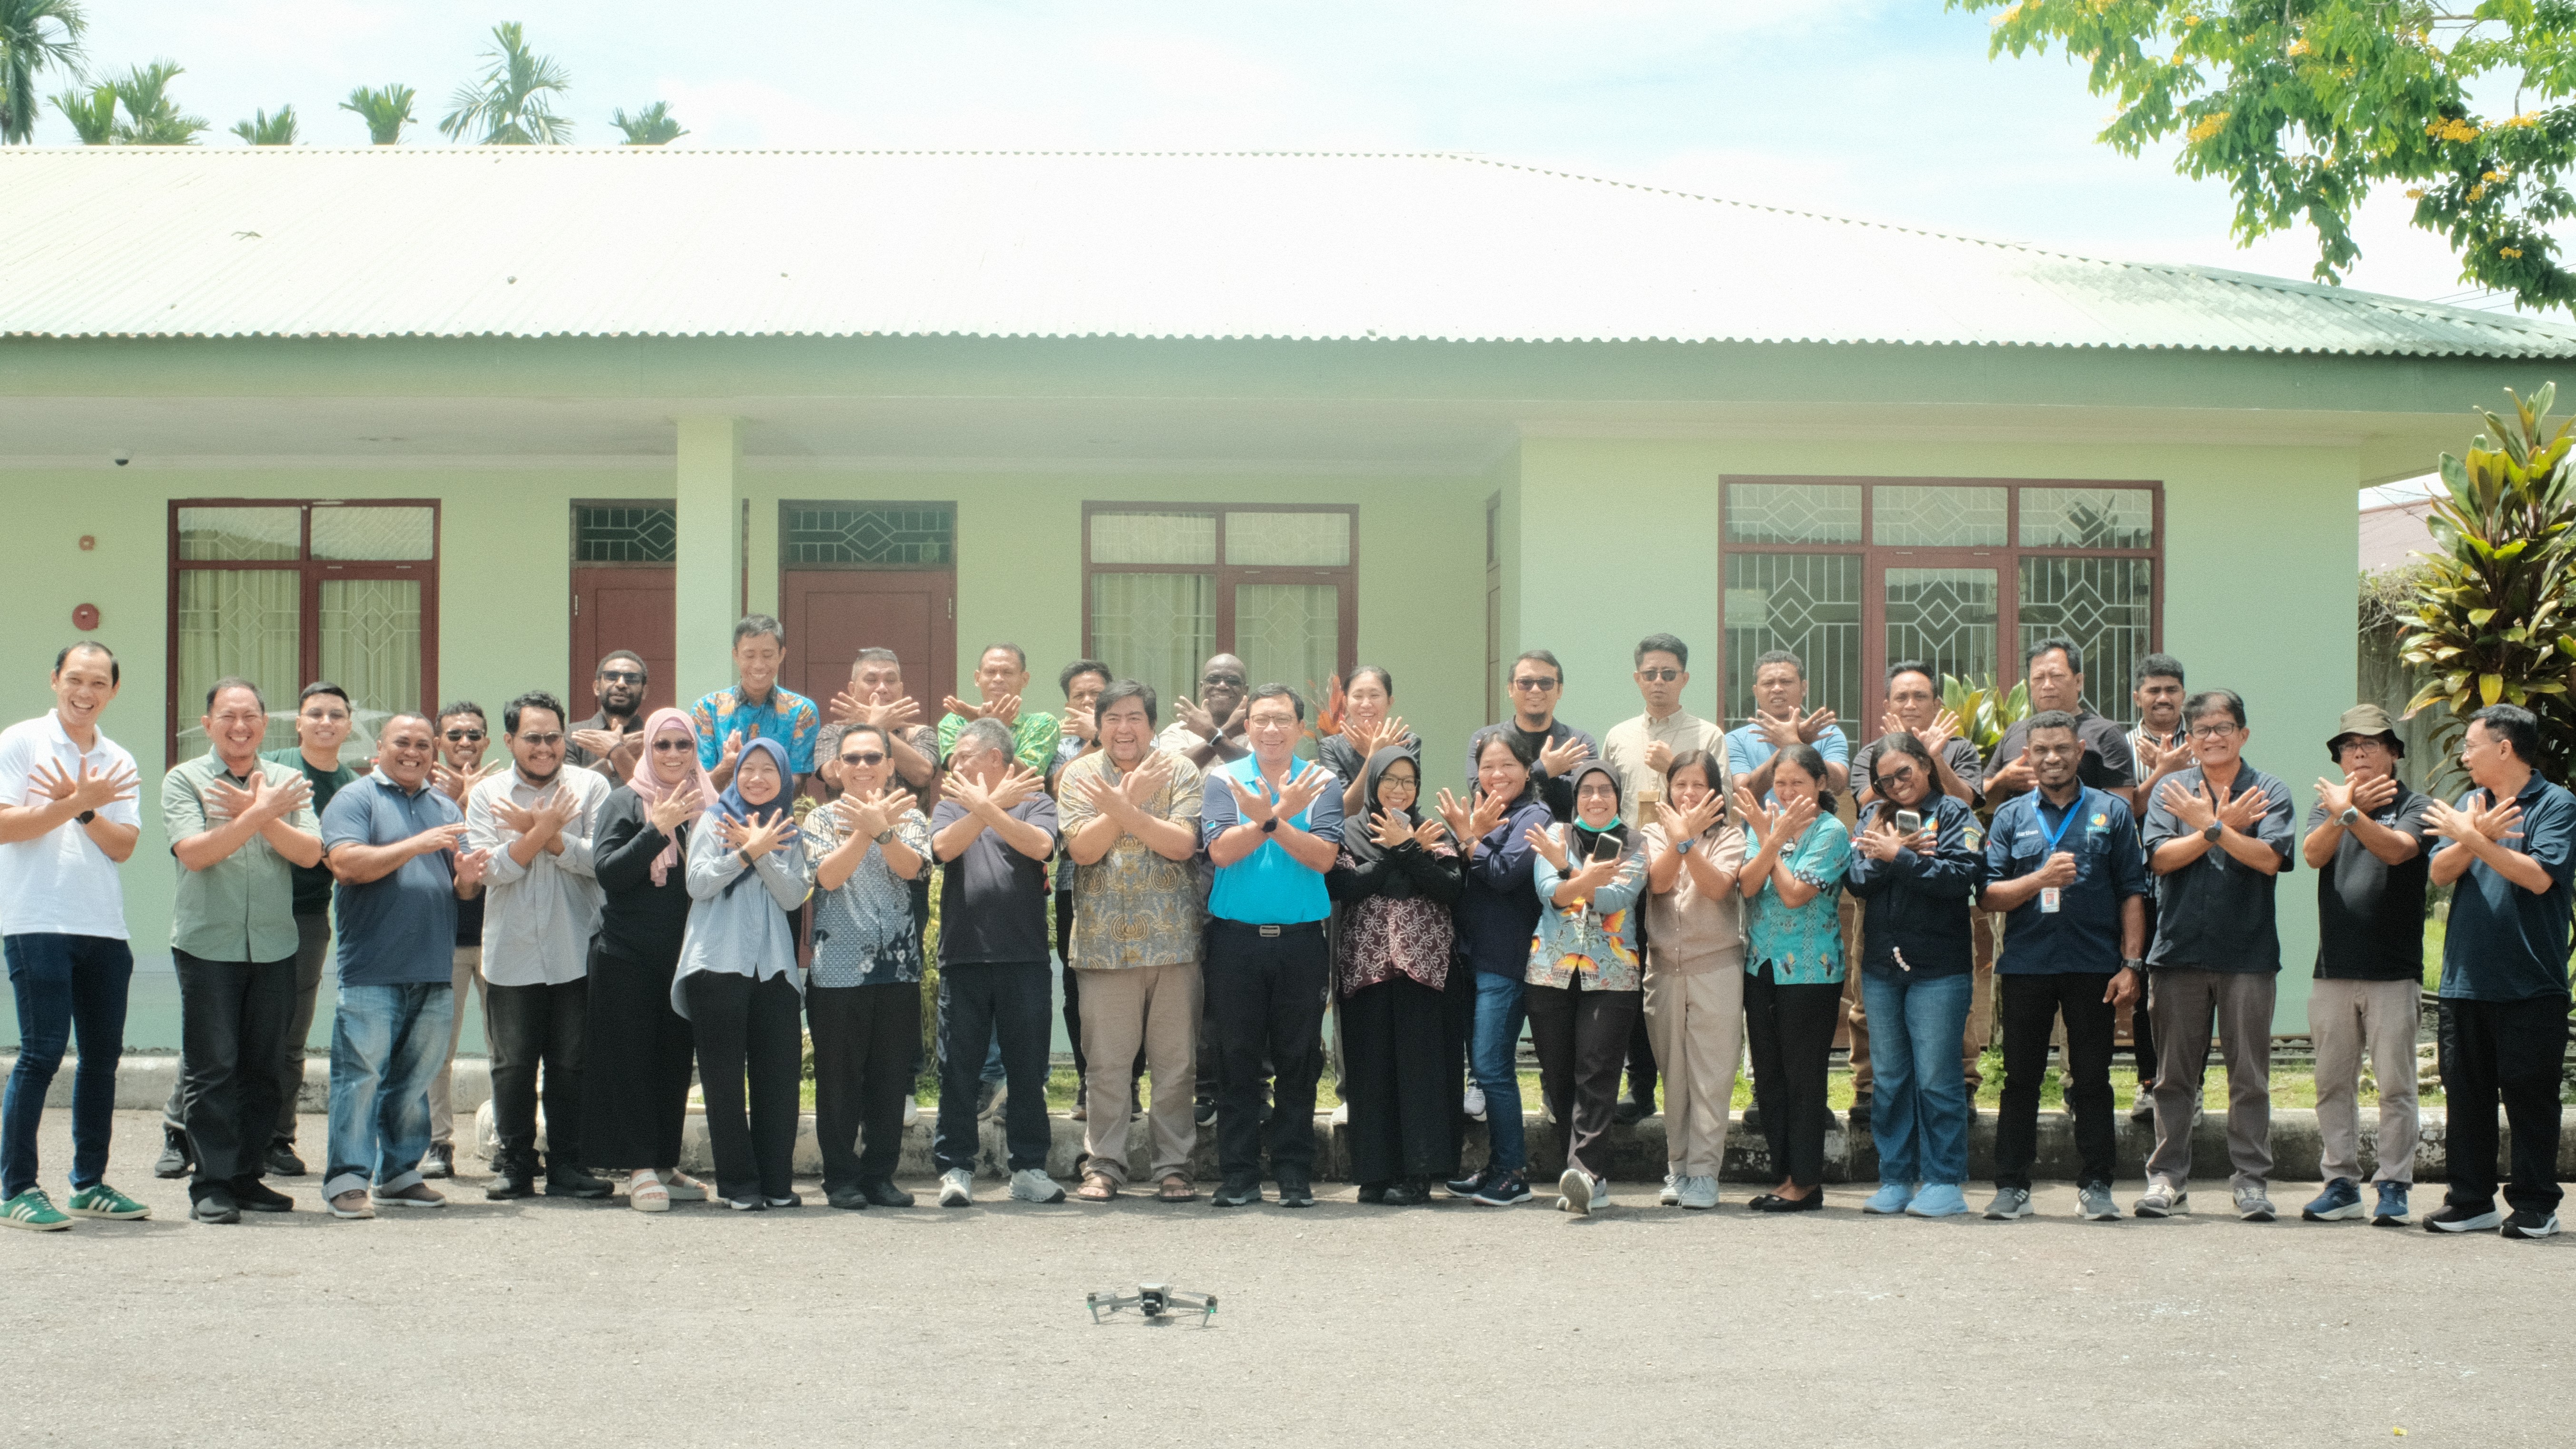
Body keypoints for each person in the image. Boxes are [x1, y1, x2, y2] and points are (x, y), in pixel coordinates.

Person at [315, 712, 488, 1219]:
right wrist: (418, 844)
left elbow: (462, 888)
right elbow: (346, 865)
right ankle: (346, 1180)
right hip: (374, 966)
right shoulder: (355, 799)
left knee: (414, 1078)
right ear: (380, 751)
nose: (412, 752)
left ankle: (400, 1173)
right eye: (401, 743)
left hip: (433, 965)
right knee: (360, 1077)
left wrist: (467, 879)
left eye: (421, 745)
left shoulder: (442, 806)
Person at [0, 643, 148, 1231]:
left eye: (99, 683)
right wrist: (76, 803)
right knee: (40, 1054)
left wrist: (85, 809)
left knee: (102, 1058)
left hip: (103, 926)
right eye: (75, 679)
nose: (85, 692)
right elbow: (7, 825)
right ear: (55, 679)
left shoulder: (119, 758)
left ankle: (88, 1183)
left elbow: (124, 845)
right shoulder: (21, 741)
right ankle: (16, 1188)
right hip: (36, 918)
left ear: (113, 691)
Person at [162, 678, 321, 1224]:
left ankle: (247, 1176)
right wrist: (258, 814)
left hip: (275, 945)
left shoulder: (287, 781)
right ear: (207, 724)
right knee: (214, 1068)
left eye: (250, 715)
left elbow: (308, 854)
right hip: (208, 944)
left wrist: (263, 811)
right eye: (227, 716)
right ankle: (210, 1183)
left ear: (264, 723)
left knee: (264, 1068)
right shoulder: (184, 780)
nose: (240, 726)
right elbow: (196, 854)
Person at [1978, 710, 2147, 1222]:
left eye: (2060, 749)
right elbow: (1988, 896)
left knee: (2092, 1079)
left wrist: (2131, 964)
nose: (2051, 759)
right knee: (2019, 1078)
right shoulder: (2009, 817)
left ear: (2078, 751)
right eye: (2040, 751)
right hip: (2027, 965)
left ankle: (2096, 1184)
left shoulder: (2109, 812)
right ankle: (2011, 1185)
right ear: (2026, 757)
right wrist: (2038, 879)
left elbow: (2132, 893)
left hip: (2093, 966)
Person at [2134, 689, 2295, 1222]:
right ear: (2189, 738)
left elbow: (2269, 859)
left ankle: (2250, 1181)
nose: (2210, 738)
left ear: (2242, 734)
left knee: (2247, 1076)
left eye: (2222, 728)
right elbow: (2160, 859)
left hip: (2247, 954)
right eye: (2200, 730)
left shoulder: (2267, 790)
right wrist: (2218, 829)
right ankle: (2165, 1178)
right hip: (2178, 951)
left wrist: (2209, 827)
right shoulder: (2171, 791)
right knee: (2172, 1077)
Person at [2424, 703, 2575, 1239]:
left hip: (2530, 982)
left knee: (2530, 1098)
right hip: (2465, 980)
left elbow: (2536, 878)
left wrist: (2471, 837)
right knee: (2465, 1095)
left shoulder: (2555, 804)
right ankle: (2470, 1200)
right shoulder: (2469, 804)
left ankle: (2535, 1203)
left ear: (2504, 748)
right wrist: (2469, 833)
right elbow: (2440, 872)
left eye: (2470, 745)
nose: (2463, 755)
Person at [1056, 681, 1205, 1203]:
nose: (1124, 728)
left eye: (1136, 717)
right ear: (1098, 725)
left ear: (1152, 724)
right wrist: (1130, 806)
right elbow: (1083, 850)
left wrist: (1125, 807)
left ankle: (1174, 1166)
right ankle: (1104, 1165)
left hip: (1174, 943)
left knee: (1175, 1065)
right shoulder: (1076, 775)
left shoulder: (1181, 770)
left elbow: (1182, 844)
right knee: (1107, 1067)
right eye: (1114, 718)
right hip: (1102, 945)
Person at [1199, 683, 1345, 1208]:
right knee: (1234, 1059)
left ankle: (1292, 1172)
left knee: (1297, 1060)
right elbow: (1220, 851)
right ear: (1246, 726)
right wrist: (1279, 815)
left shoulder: (1323, 781)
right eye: (1260, 719)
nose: (1270, 729)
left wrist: (1267, 819)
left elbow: (1322, 858)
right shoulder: (1223, 780)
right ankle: (1237, 1174)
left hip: (1301, 943)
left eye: (1282, 719)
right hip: (1234, 942)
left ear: (1300, 728)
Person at [465, 690, 614, 1202]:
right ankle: (514, 1163)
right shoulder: (486, 795)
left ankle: (568, 1165)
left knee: (571, 1063)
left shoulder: (591, 787)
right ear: (510, 741)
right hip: (511, 952)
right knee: (512, 1065)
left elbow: (602, 861)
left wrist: (545, 837)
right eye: (533, 738)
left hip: (574, 947)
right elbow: (492, 871)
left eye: (554, 737)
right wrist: (545, 832)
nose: (545, 747)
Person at [2297, 704, 2431, 1226]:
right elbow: (2312, 855)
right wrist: (2340, 810)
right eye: (2348, 747)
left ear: (2393, 753)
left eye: (2369, 744)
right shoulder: (2326, 804)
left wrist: (2351, 815)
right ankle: (2339, 1182)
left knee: (2395, 1085)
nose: (2357, 753)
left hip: (2393, 971)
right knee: (2332, 1082)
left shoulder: (2415, 804)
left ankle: (2394, 1185)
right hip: (2332, 968)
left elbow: (2397, 851)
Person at [1844, 732, 1984, 1219]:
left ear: (1925, 764)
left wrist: (1897, 857)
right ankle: (1895, 1178)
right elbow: (1855, 880)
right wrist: (1894, 854)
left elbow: (1960, 878)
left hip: (1937, 970)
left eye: (1904, 772)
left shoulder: (1954, 815)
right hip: (1881, 968)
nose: (1896, 784)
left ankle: (1943, 1181)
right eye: (1885, 779)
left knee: (1936, 1079)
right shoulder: (1870, 817)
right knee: (1890, 1078)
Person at [583, 708, 718, 1212]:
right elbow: (610, 873)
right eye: (662, 745)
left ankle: (663, 1161)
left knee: (673, 1062)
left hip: (683, 957)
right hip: (625, 955)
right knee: (631, 1062)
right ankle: (638, 1167)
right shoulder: (625, 801)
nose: (673, 755)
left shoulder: (710, 804)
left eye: (683, 746)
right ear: (647, 751)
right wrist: (656, 828)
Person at [1843, 659, 1991, 1114]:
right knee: (1871, 996)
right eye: (1901, 697)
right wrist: (1899, 764)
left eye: (1920, 696)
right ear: (1887, 703)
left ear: (1936, 703)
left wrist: (1934, 758)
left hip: (1940, 904)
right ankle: (1870, 1088)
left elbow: (1964, 799)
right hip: (1882, 905)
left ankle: (1961, 1081)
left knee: (1949, 996)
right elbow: (1868, 802)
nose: (1910, 704)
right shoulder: (1872, 752)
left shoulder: (1961, 749)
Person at [929, 717, 1065, 1206]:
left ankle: (1029, 1168)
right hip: (963, 956)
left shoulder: (1037, 801)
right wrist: (982, 809)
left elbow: (1042, 847)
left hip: (1024, 956)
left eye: (963, 755)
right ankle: (955, 1169)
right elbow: (943, 849)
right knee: (958, 1068)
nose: (954, 764)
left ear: (994, 757)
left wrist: (990, 808)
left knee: (1026, 1069)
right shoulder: (949, 805)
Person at [673, 736, 811, 1211]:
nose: (756, 778)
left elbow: (794, 896)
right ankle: (738, 1184)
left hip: (773, 968)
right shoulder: (713, 821)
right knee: (724, 1081)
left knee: (779, 1078)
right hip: (716, 963)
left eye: (767, 770)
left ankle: (776, 1182)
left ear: (783, 777)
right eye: (748, 769)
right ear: (735, 776)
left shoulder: (790, 832)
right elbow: (698, 882)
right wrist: (745, 853)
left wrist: (764, 850)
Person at [800, 722, 930, 1210]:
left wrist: (884, 829)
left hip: (897, 968)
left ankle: (879, 1175)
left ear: (890, 765)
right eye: (851, 758)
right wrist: (865, 829)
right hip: (836, 969)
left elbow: (912, 868)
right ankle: (842, 1178)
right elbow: (828, 877)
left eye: (872, 758)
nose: (861, 767)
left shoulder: (910, 815)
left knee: (889, 1077)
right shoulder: (816, 821)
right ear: (835, 768)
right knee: (837, 1078)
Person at [1600, 634, 1726, 1126]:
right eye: (1649, 673)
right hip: (1631, 866)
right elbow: (1606, 805)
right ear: (1637, 678)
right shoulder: (1618, 735)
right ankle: (1639, 1087)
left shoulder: (1706, 735)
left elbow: (1722, 805)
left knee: (1677, 980)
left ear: (1684, 679)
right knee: (1631, 976)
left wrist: (1670, 769)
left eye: (1667, 674)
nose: (1658, 682)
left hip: (1687, 871)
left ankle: (1685, 1085)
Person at [236, 681, 359, 1180]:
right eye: (316, 714)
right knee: (226, 1028)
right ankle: (182, 1130)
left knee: (290, 1037)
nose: (325, 722)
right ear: (299, 721)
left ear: (348, 725)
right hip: (247, 912)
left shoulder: (353, 786)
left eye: (336, 714)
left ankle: (277, 1138)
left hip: (308, 918)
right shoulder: (270, 768)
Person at [1328, 746, 1461, 1206]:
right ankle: (1374, 1172)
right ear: (1373, 784)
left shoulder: (1433, 830)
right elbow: (1345, 885)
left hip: (1424, 970)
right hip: (1365, 969)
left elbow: (1449, 887)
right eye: (1391, 780)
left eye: (1409, 781)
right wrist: (1397, 858)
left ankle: (1418, 1173)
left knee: (1420, 1069)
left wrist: (1406, 846)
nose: (1400, 789)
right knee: (1371, 1069)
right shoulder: (1348, 830)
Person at [1434, 731, 1553, 1207]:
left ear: (1527, 769)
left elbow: (1505, 874)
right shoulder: (1476, 813)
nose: (1496, 775)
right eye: (1487, 766)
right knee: (1484, 1071)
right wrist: (1463, 836)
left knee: (1492, 1068)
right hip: (1467, 956)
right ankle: (1494, 1167)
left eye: (1506, 765)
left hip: (1505, 961)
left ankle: (1513, 1173)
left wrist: (1468, 836)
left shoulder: (1534, 815)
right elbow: (1453, 874)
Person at [1526, 761, 1647, 1217]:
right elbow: (1549, 893)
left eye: (1605, 791)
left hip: (1612, 973)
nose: (1596, 799)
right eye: (1587, 791)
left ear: (1618, 796)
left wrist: (1568, 874)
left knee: (1597, 1071)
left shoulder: (1637, 843)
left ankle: (1587, 1175)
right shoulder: (1554, 833)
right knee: (1558, 1077)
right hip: (1549, 971)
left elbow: (1617, 897)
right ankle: (1576, 1172)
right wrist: (1568, 872)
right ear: (1575, 798)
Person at [1734, 743, 1849, 1213]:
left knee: (1803, 1076)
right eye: (1779, 783)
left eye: (1796, 783)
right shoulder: (1762, 824)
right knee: (1768, 1079)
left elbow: (1793, 893)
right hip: (1760, 965)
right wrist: (1767, 837)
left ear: (1820, 784)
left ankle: (1806, 1182)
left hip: (1810, 972)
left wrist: (1770, 839)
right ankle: (1782, 1175)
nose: (1785, 791)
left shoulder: (1831, 831)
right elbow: (1744, 885)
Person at [1639, 749, 1746, 1211]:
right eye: (1679, 784)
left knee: (1712, 1077)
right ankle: (1677, 1168)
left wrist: (1688, 843)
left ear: (1714, 792)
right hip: (1662, 970)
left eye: (1697, 785)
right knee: (1675, 1076)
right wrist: (1675, 840)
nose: (1687, 793)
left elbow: (1717, 887)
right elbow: (1658, 884)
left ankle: (1704, 1173)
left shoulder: (1730, 837)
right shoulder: (1648, 832)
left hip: (1716, 969)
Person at [421, 700, 503, 1177]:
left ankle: (508, 1139)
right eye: (455, 735)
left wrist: (474, 800)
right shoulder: (421, 795)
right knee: (439, 1050)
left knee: (505, 1049)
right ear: (438, 744)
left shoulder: (501, 791)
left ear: (488, 742)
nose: (465, 743)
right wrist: (457, 803)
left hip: (498, 937)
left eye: (474, 734)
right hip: (445, 939)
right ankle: (437, 1143)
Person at [2122, 652, 2190, 1117]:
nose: (2162, 698)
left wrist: (2179, 765)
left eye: (2170, 690)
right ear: (2137, 696)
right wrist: (2164, 769)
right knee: (2144, 988)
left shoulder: (2205, 738)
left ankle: (2193, 1085)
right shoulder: (2120, 746)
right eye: (2153, 690)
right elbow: (2123, 812)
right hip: (2138, 886)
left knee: (2193, 989)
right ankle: (2149, 1082)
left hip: (2192, 883)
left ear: (2182, 694)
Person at [1048, 658, 1113, 1119]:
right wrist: (1090, 740)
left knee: (1127, 983)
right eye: (1079, 696)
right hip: (1075, 883)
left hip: (1131, 885)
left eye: (1097, 696)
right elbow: (1057, 790)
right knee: (1078, 986)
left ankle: (1125, 1083)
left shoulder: (1133, 742)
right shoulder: (1059, 747)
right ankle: (1088, 1083)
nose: (1088, 703)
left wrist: (1104, 736)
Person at [1982, 638, 2140, 810]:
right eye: (2039, 678)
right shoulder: (2015, 731)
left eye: (2057, 676)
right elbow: (1985, 806)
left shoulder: (2105, 733)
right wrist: (2002, 781)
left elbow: (2121, 809)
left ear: (2079, 681)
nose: (2047, 686)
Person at [690, 615, 820, 794]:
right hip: (720, 817)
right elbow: (701, 786)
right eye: (749, 655)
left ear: (781, 655)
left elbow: (797, 783)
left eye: (768, 655)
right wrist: (728, 766)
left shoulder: (801, 710)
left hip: (776, 817)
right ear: (735, 655)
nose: (759, 665)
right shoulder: (706, 709)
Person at [1465, 650, 1597, 823]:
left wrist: (1515, 783)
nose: (1535, 690)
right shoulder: (1485, 738)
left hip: (1563, 844)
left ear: (1560, 690)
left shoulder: (1578, 742)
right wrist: (1545, 771)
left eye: (1546, 683)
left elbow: (1582, 797)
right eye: (1525, 683)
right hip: (1502, 842)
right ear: (1511, 689)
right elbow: (1483, 795)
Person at [1725, 648, 1851, 800]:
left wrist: (1794, 744)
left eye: (1786, 682)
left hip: (1816, 824)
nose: (1777, 689)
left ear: (1804, 688)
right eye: (1768, 683)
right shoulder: (1735, 740)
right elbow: (1744, 794)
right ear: (1756, 692)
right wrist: (1793, 743)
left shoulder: (1827, 733)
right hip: (1761, 824)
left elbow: (1838, 786)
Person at [827, 647, 942, 794]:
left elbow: (923, 775)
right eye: (871, 680)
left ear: (901, 689)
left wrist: (875, 726)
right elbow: (832, 777)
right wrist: (875, 725)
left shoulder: (918, 733)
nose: (882, 688)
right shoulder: (834, 732)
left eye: (891, 681)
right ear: (853, 689)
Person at [937, 643, 1062, 774]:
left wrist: (991, 727)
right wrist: (987, 726)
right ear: (977, 678)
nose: (998, 679)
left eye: (1007, 672)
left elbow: (1025, 775)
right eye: (991, 672)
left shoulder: (1041, 723)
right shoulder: (955, 720)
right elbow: (958, 770)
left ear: (1024, 679)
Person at [1321, 665, 1422, 817]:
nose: (1366, 704)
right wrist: (1373, 757)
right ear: (1346, 702)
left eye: (1375, 696)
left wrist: (1375, 754)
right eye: (1358, 696)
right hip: (1350, 834)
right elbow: (1345, 810)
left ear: (1390, 702)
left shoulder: (1407, 742)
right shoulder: (1330, 747)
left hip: (1398, 828)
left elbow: (1402, 801)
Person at [565, 650, 649, 779]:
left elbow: (659, 791)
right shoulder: (572, 735)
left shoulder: (654, 739)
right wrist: (615, 757)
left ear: (644, 692)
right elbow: (569, 789)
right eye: (611, 676)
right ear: (597, 688)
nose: (621, 684)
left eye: (632, 678)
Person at [1159, 653, 1250, 769]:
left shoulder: (1259, 732)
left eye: (1233, 681)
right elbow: (1173, 773)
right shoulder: (1179, 732)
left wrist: (1215, 735)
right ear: (1202, 688)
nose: (1222, 686)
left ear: (1245, 690)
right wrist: (1228, 731)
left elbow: (1261, 771)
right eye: (1214, 679)